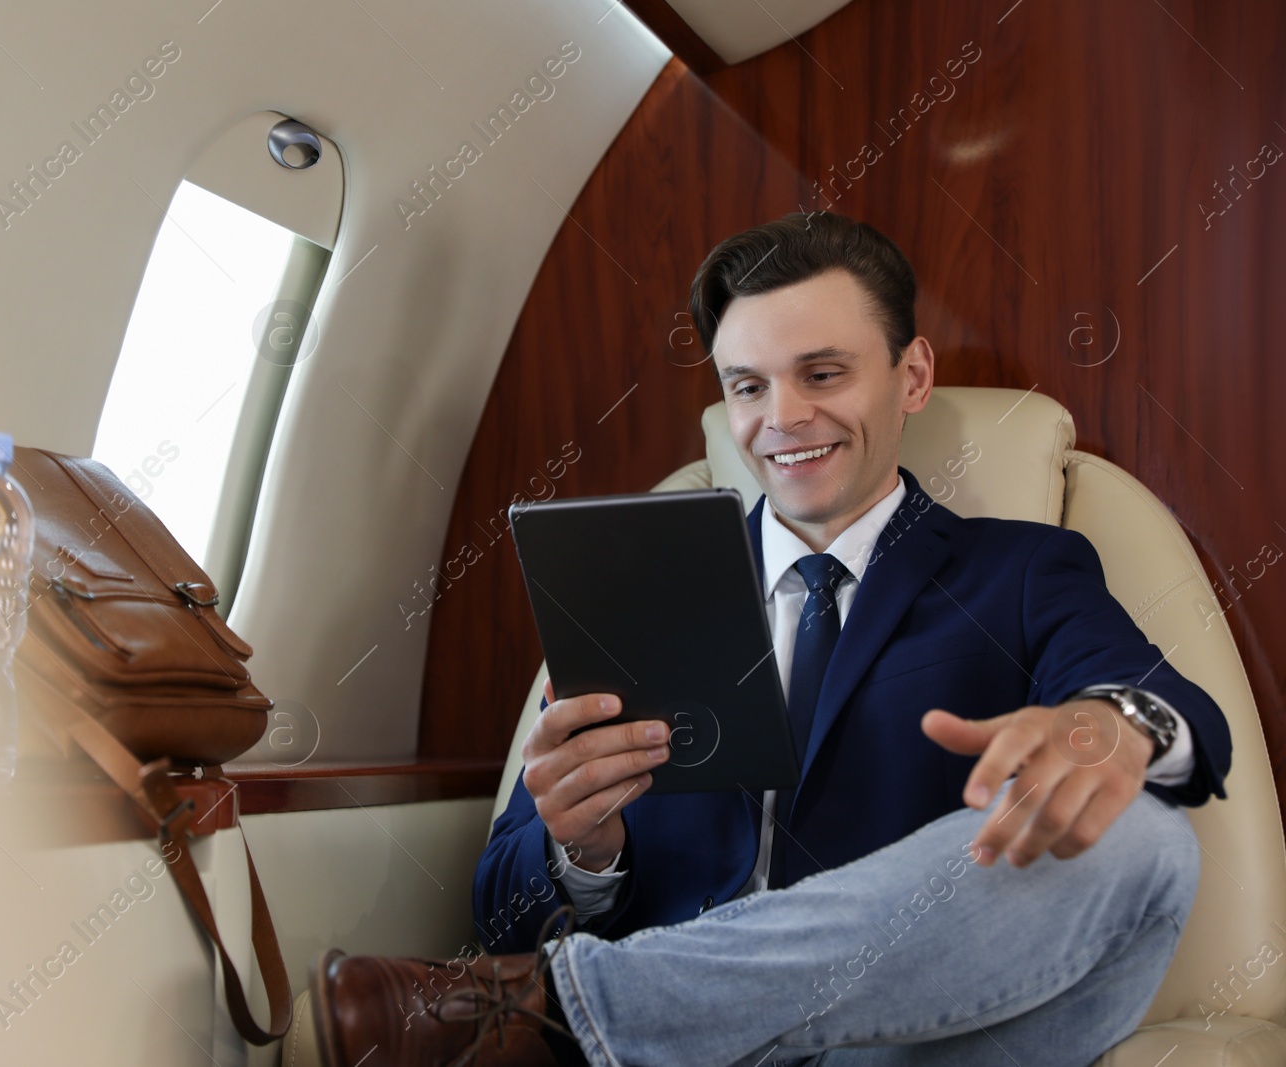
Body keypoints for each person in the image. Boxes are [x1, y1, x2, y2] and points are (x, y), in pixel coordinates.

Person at [310, 213, 1232, 1067]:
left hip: (904, 1045)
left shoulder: (1023, 570)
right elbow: (501, 913)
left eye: (823, 374)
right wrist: (580, 854)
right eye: (748, 386)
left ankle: (572, 1008)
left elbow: (1175, 711)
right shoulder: (633, 592)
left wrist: (1103, 726)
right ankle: (589, 1006)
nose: (782, 418)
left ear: (911, 376)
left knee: (1148, 839)